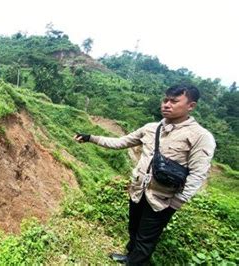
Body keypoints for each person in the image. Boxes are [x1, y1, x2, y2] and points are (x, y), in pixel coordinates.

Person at [74, 84, 216, 265]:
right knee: (133, 228)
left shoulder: (200, 136)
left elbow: (198, 174)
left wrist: (177, 202)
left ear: (191, 106)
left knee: (145, 241)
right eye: (165, 100)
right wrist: (91, 138)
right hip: (138, 190)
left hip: (163, 199)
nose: (167, 104)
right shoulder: (151, 128)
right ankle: (129, 256)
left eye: (174, 101)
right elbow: (120, 142)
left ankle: (136, 262)